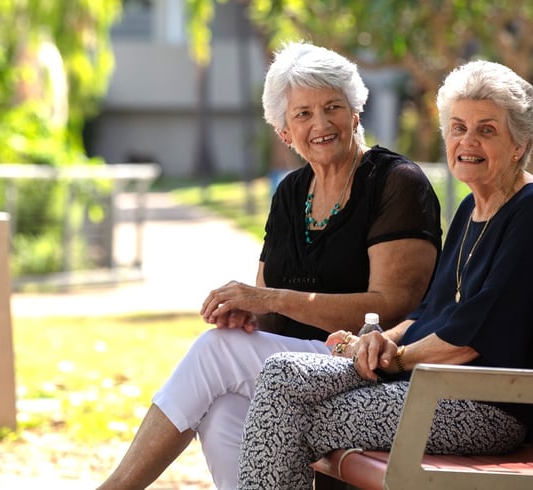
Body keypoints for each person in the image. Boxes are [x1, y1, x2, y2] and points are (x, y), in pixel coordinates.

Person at [97, 41, 443, 489]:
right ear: (284, 132)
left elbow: (394, 305)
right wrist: (249, 314)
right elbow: (270, 310)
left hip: (366, 360)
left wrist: (269, 298)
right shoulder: (290, 194)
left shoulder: (395, 182)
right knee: (222, 408)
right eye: (302, 114)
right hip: (294, 371)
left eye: (332, 107)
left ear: (356, 112)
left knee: (213, 353)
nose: (320, 123)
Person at [236, 59, 533, 489]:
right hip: (431, 386)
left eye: (487, 130)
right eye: (457, 127)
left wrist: (395, 358)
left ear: (520, 143)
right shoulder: (471, 210)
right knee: (282, 373)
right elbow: (428, 312)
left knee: (306, 418)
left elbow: (472, 338)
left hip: (485, 406)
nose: (467, 141)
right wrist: (384, 339)